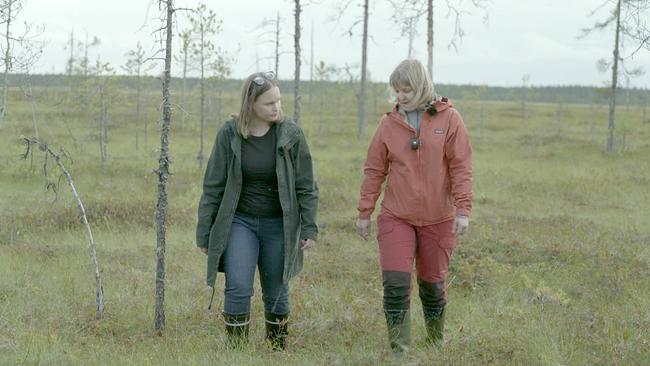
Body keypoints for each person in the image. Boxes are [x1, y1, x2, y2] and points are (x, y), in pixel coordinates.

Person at [355, 59, 473, 354]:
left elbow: (461, 167)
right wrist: (365, 212)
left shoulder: (450, 119)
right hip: (397, 216)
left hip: (439, 218)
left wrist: (463, 210)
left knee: (432, 286)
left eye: (406, 89)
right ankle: (400, 351)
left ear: (421, 86)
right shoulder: (388, 124)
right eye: (397, 90)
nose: (401, 96)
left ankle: (435, 344)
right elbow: (374, 169)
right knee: (395, 284)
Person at [196, 71, 319, 351]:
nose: (277, 107)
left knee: (277, 289)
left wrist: (310, 227)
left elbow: (306, 186)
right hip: (240, 222)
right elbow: (212, 185)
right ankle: (237, 352)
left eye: (278, 101)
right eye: (269, 103)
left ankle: (277, 350)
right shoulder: (230, 134)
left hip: (279, 224)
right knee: (238, 285)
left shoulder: (291, 135)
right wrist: (204, 233)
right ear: (251, 105)